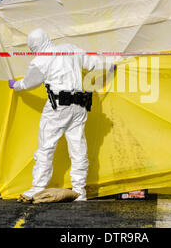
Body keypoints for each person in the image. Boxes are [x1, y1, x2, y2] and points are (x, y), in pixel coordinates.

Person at [9, 28, 115, 202]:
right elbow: (93, 63)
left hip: (58, 108)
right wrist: (109, 66)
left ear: (34, 46)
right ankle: (80, 190)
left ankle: (38, 187)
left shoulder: (40, 60)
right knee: (78, 147)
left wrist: (16, 85)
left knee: (46, 147)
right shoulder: (70, 48)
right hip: (79, 105)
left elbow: (29, 83)